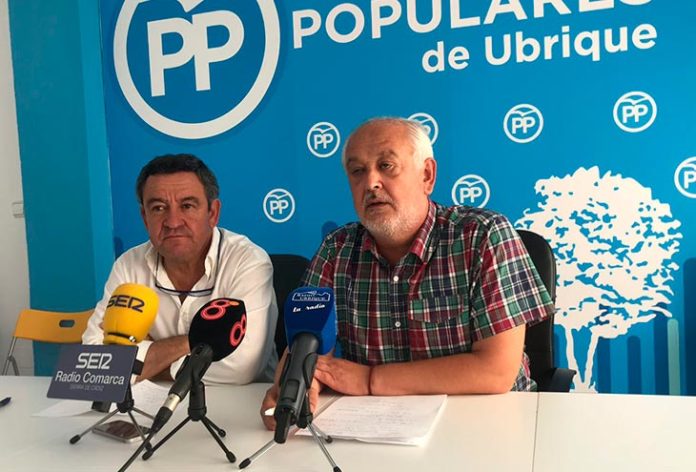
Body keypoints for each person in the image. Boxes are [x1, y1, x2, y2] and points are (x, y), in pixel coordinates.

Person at [261, 117, 553, 429]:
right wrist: (294, 389)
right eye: (357, 171)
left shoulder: (483, 236)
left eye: (386, 166)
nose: (370, 183)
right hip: (378, 426)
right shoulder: (336, 249)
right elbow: (306, 349)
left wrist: (371, 380)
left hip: (492, 424)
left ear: (427, 175)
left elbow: (496, 371)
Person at [83, 154, 277, 384]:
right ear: (145, 217)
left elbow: (242, 367)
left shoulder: (248, 261)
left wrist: (143, 358)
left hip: (235, 400)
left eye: (187, 206)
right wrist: (194, 342)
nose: (173, 222)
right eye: (158, 208)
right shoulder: (129, 265)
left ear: (212, 213)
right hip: (146, 399)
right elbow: (94, 362)